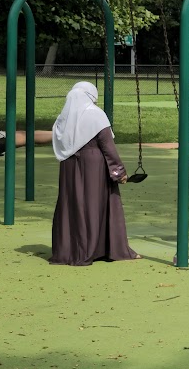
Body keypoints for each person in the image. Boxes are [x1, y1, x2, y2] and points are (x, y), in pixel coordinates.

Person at [49, 81, 137, 265]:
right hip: (94, 167)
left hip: (68, 167)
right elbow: (108, 147)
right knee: (95, 203)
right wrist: (119, 172)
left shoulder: (62, 119)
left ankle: (68, 251)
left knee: (71, 205)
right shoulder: (96, 114)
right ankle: (101, 249)